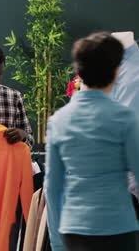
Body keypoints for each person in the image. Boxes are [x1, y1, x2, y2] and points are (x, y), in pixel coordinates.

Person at [45, 32, 139, 251]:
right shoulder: (124, 119)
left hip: (74, 228)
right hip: (118, 226)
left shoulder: (58, 120)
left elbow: (53, 186)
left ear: (79, 73)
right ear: (115, 73)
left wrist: (57, 244)